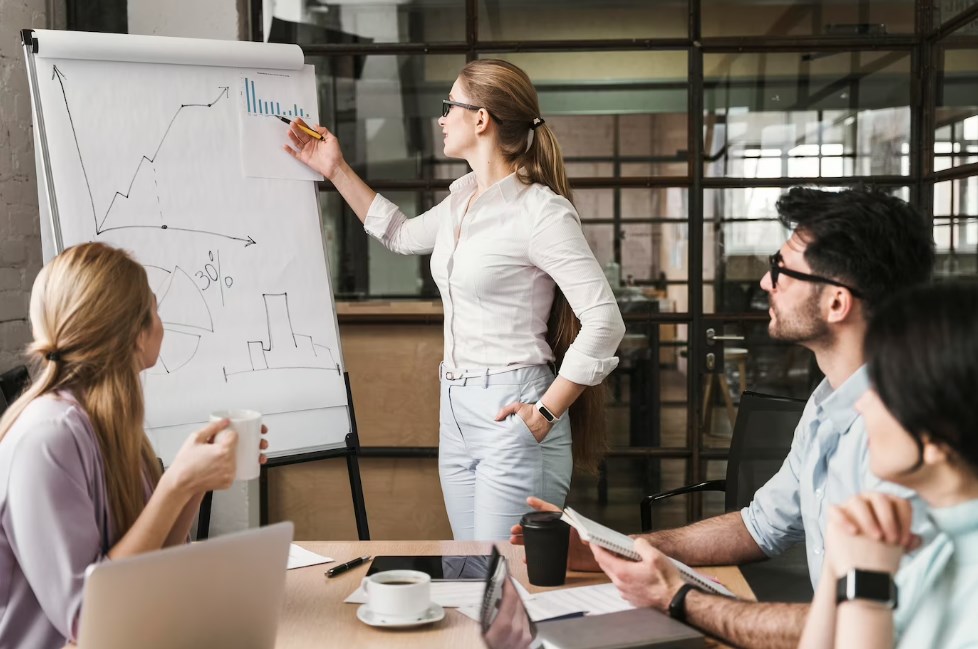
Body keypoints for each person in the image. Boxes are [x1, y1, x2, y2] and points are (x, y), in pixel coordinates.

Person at [513, 186, 936, 648]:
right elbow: (759, 526)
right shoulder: (826, 403)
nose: (765, 283)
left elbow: (870, 627)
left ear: (837, 302)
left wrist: (680, 599)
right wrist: (614, 551)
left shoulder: (907, 442)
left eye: (782, 270)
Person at [283, 59, 625, 541]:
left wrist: (547, 412)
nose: (441, 119)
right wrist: (334, 168)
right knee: (473, 570)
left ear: (481, 118)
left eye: (449, 107)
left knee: (505, 579)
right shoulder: (460, 203)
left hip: (513, 406)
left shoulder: (540, 212)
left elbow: (605, 322)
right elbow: (399, 233)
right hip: (456, 409)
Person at [0, 243, 268, 649]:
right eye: (155, 311)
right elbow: (88, 622)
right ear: (134, 332)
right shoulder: (47, 438)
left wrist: (195, 485)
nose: (162, 325)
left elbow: (156, 565)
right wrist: (175, 484)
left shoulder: (111, 425)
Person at [798, 281, 978, 649]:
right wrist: (840, 560)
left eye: (880, 387)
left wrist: (865, 585)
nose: (862, 405)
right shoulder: (940, 547)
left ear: (934, 437)